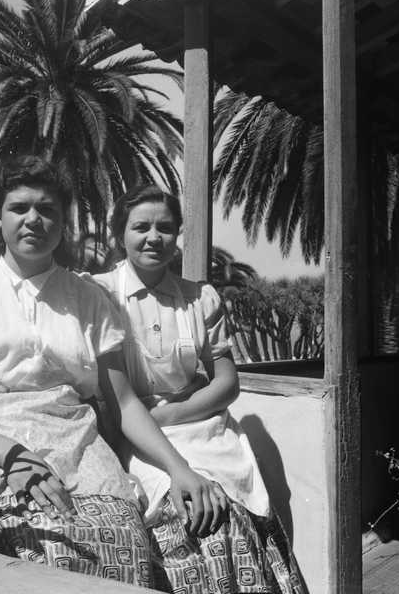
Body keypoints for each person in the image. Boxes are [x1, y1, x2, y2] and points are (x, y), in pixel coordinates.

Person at [0, 153, 225, 589]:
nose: (33, 220)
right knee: (42, 542)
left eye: (47, 210)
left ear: (63, 221)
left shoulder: (89, 298)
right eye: (19, 208)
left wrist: (179, 468)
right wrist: (11, 457)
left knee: (123, 536)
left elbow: (124, 402)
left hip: (76, 439)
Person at [92, 184, 308, 594]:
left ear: (177, 234)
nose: (153, 237)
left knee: (236, 515)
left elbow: (227, 383)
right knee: (188, 518)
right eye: (140, 227)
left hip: (201, 428)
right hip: (137, 436)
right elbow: (118, 398)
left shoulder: (198, 298)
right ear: (120, 233)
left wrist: (172, 412)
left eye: (165, 227)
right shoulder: (99, 295)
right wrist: (154, 420)